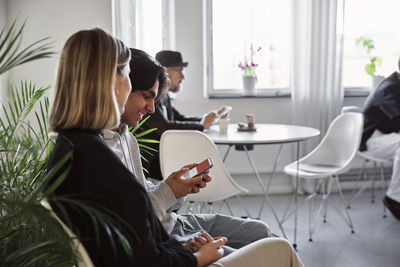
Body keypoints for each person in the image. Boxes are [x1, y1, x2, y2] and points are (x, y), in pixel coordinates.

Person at [103, 48, 304, 266]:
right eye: (146, 96)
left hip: (173, 222)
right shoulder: (99, 153)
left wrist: (177, 189)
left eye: (154, 98)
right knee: (278, 250)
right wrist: (169, 192)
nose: (151, 108)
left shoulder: (127, 138)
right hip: (165, 236)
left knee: (262, 231)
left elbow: (145, 197)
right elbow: (135, 222)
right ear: (120, 88)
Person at [46, 28, 226, 267]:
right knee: (279, 249)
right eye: (128, 75)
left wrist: (183, 250)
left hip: (173, 250)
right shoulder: (99, 160)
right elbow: (144, 259)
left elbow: (130, 243)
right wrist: (197, 258)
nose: (150, 107)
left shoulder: (70, 148)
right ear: (112, 80)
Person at [141, 50, 228, 179]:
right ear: (164, 72)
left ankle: (197, 189)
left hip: (167, 158)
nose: (183, 77)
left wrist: (205, 120)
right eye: (179, 71)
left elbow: (178, 118)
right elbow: (164, 127)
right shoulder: (152, 98)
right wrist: (202, 125)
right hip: (154, 165)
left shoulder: (164, 96)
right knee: (202, 162)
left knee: (203, 162)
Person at [360, 58, 400, 220]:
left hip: (387, 135)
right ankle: (394, 198)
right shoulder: (389, 88)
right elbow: (398, 119)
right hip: (371, 139)